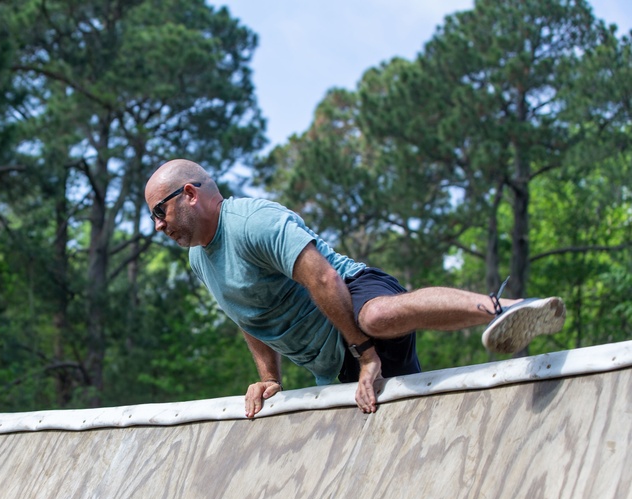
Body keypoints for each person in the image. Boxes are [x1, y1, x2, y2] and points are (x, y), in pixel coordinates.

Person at [144, 159, 566, 418]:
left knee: (376, 316)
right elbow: (248, 315)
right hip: (336, 362)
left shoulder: (253, 222)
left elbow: (323, 278)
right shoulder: (199, 258)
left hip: (353, 295)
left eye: (160, 212)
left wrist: (366, 354)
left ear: (189, 194)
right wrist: (270, 378)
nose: (159, 226)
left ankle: (509, 307)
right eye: (154, 219)